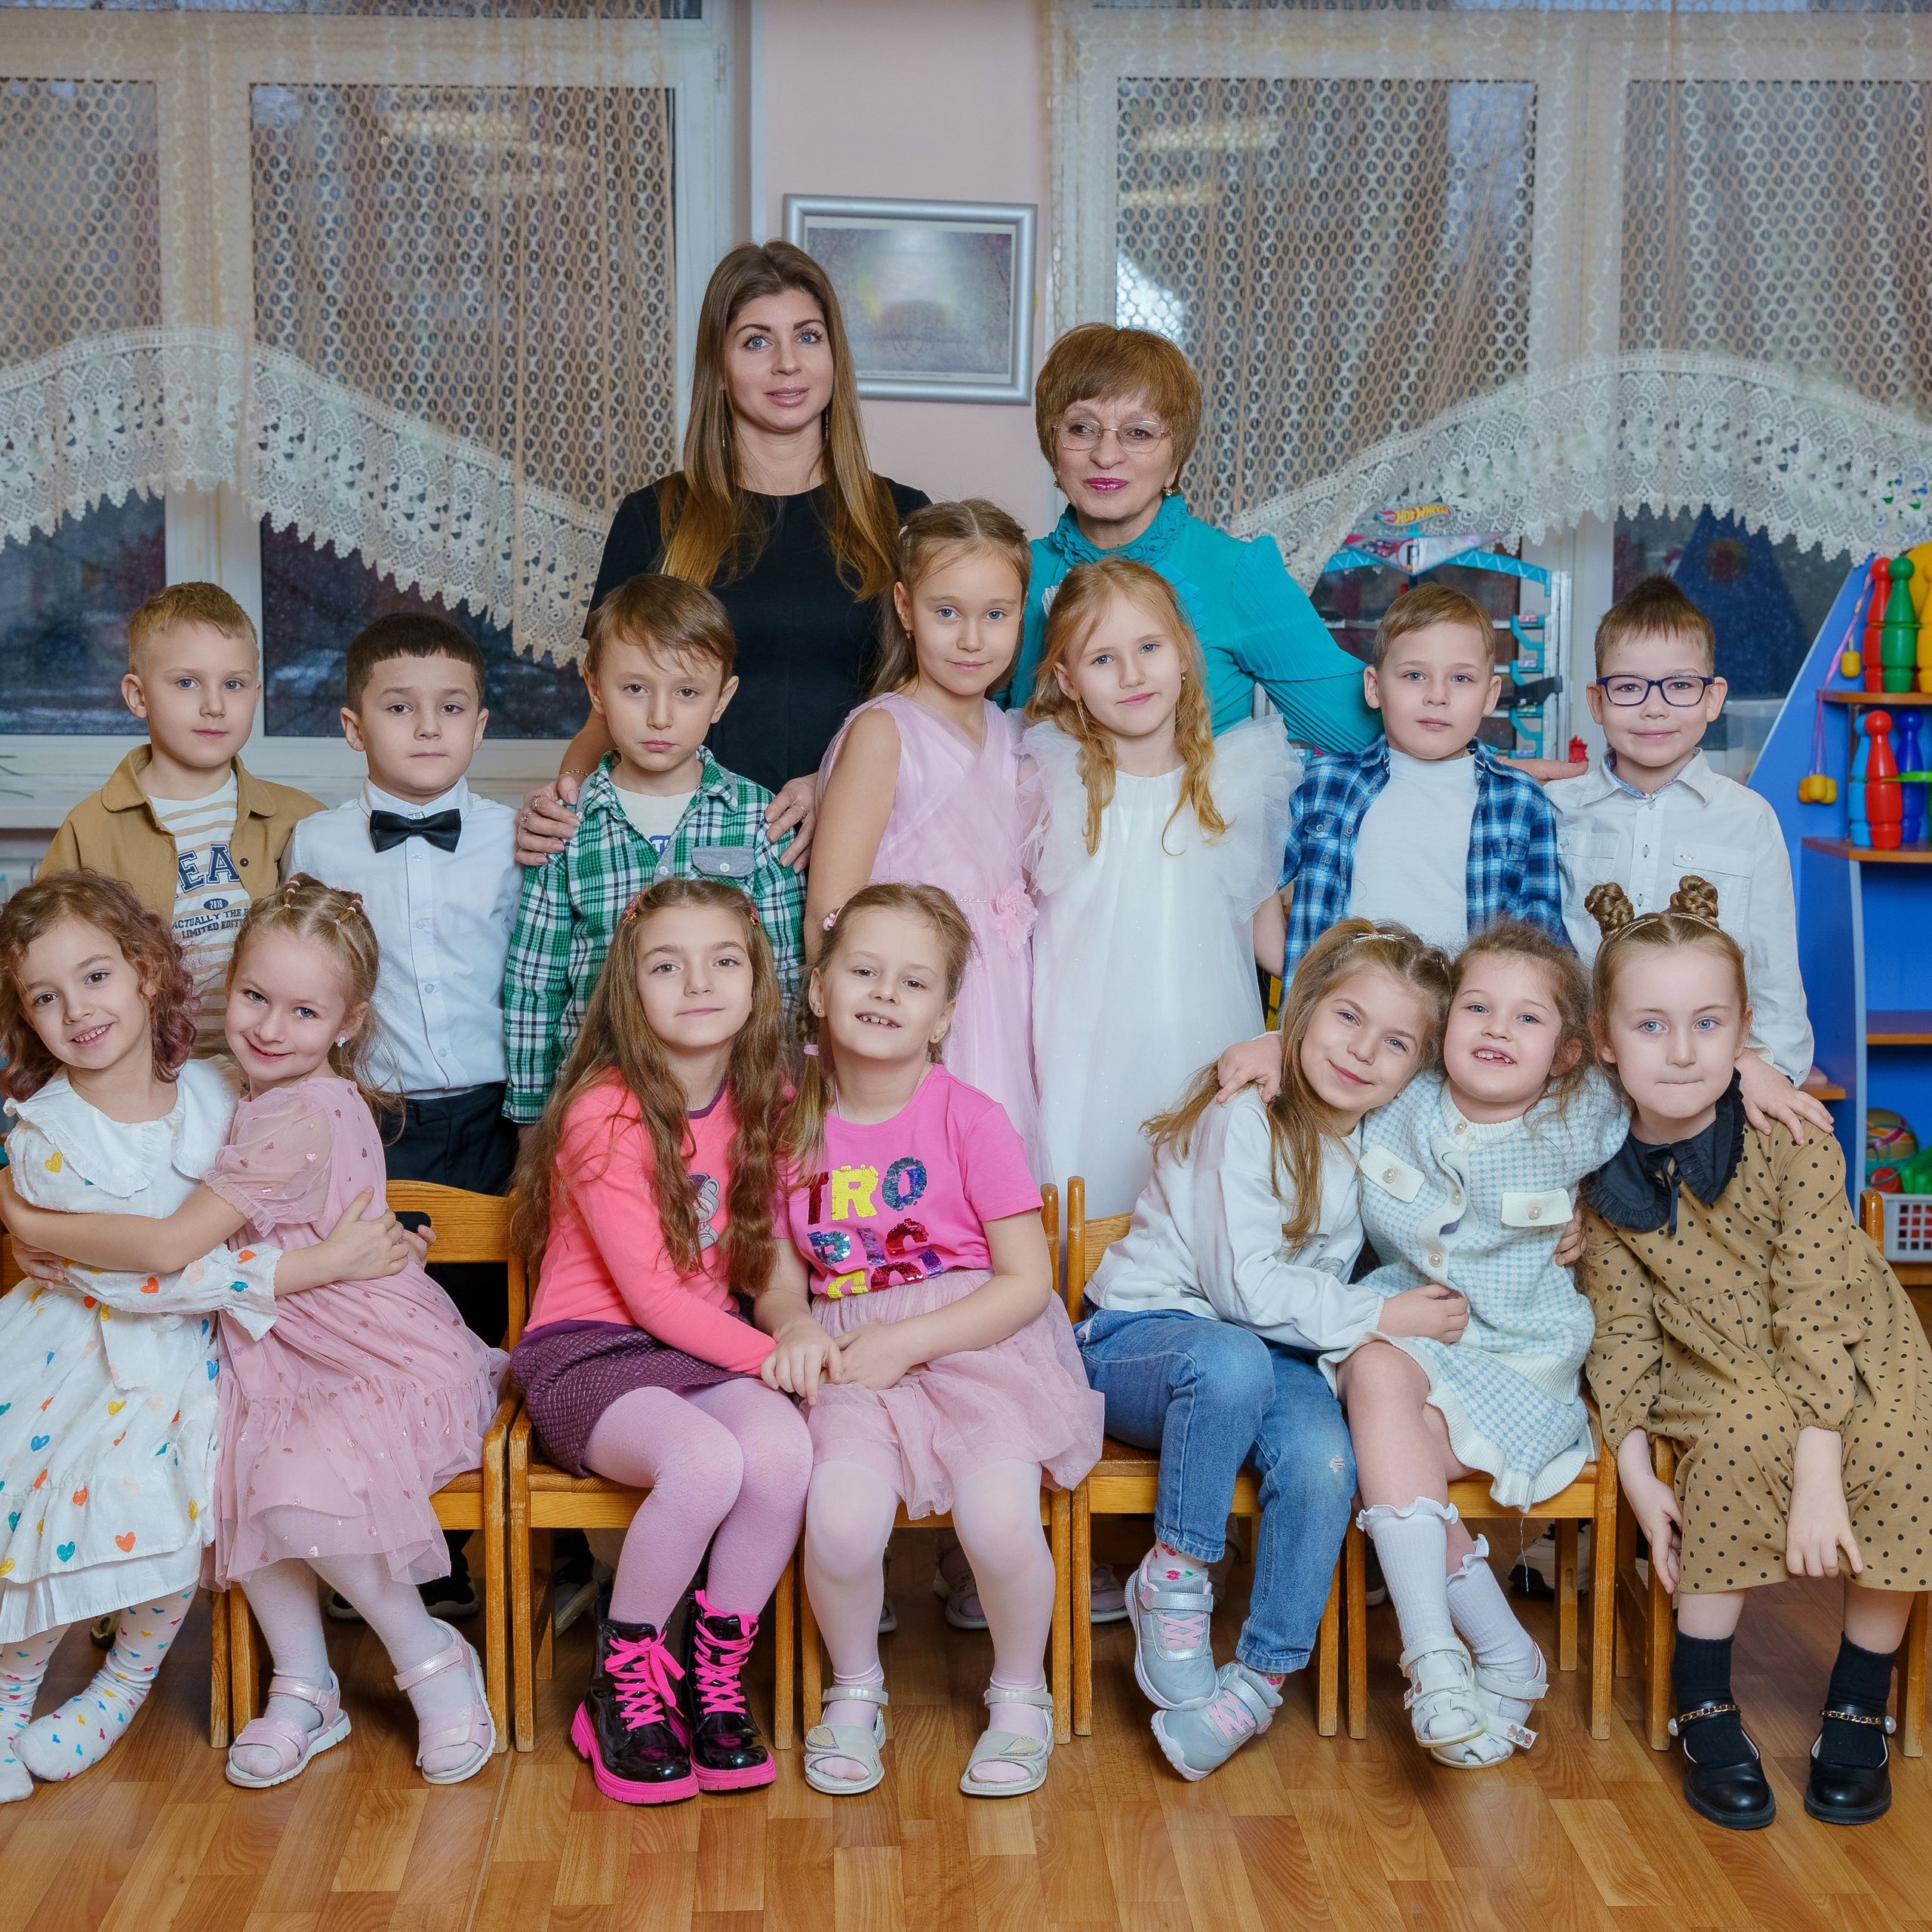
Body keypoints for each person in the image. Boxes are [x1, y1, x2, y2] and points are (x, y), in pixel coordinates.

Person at [2, 879, 506, 1789]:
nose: (271, 1027)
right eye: (254, 998)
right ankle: (305, 1685)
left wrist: (26, 1216)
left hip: (352, 1346)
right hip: (264, 1340)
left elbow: (169, 1246)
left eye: (303, 1011)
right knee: (234, 1480)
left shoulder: (300, 1111)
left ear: (348, 1022)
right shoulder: (235, 1087)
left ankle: (430, 1655)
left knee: (301, 1489)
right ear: (224, 987)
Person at [1580, 877, 1932, 1832]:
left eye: (1707, 1024)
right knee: (1737, 1435)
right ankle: (1702, 1698)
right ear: (1604, 1039)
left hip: (1849, 1335)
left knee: (1897, 1446)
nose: (1682, 1051)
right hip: (1711, 1354)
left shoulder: (1792, 1137)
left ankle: (1858, 1700)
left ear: (1743, 1035)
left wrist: (1820, 1470)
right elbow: (1619, 1333)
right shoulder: (1596, 1174)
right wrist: (1635, 1472)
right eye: (1650, 1026)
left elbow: (1816, 1309)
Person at [1078, 919, 1466, 1780]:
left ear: (1418, 1068)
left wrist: (1563, 1226)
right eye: (1347, 1017)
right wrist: (1383, 1312)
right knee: (1231, 1359)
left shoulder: (1381, 1134)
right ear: (1303, 1009)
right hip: (1145, 1342)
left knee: (1328, 1462)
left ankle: (1256, 1682)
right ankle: (1175, 1575)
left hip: (1274, 1356)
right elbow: (1242, 1293)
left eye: (1396, 1042)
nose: (1362, 1051)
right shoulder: (1245, 1115)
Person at [758, 884, 1103, 1799]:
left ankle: (1020, 1692)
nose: (884, 992)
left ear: (944, 1016)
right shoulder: (785, 1124)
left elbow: (1025, 1281)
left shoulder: (971, 1118)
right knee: (839, 1520)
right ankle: (854, 1689)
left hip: (974, 1342)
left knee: (997, 1520)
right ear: (819, 988)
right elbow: (778, 1275)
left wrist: (909, 1341)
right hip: (849, 1352)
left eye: (913, 982)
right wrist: (793, 1322)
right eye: (864, 970)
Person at [508, 878, 810, 1805]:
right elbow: (649, 1297)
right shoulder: (605, 1110)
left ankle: (713, 1681)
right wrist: (771, 1358)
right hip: (586, 1350)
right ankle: (623, 1688)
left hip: (698, 1349)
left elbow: (773, 1258)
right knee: (705, 1463)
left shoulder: (770, 1097)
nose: (699, 982)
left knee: (783, 1450)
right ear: (629, 988)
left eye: (723, 960)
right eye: (667, 966)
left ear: (756, 979)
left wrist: (795, 1326)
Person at [515, 241, 929, 870]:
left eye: (808, 337)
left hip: (864, 850)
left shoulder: (902, 518)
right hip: (688, 861)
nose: (787, 363)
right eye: (757, 342)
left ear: (835, 357)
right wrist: (563, 806)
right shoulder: (652, 518)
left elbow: (934, 711)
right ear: (719, 365)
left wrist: (833, 784)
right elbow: (606, 718)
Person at [1327, 922, 1629, 1766]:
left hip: (1521, 1360)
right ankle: (1442, 1657)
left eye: (1528, 1018)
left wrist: (1752, 1063)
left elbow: (1671, 1060)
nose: (1498, 1029)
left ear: (1567, 1053)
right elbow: (1325, 1051)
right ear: (1442, 1025)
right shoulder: (1400, 1096)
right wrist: (1257, 1048)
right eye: (1477, 1008)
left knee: (1387, 1451)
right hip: (1412, 1326)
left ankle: (1482, 1652)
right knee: (1374, 1371)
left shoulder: (1585, 1114)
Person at [286, 611, 521, 1620]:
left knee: (491, 1316)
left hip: (498, 1113)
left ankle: (513, 1545)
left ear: (480, 725)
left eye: (451, 708)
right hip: (376, 1119)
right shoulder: (318, 841)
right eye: (399, 708)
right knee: (396, 1326)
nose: (428, 727)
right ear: (353, 727)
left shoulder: (518, 835)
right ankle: (404, 1545)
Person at [1025, 555, 1296, 1216]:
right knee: (1086, 1205)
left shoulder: (1234, 784)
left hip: (1202, 1041)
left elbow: (1270, 940)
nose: (1133, 674)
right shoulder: (1049, 780)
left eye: (1149, 648)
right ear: (1067, 680)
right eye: (1103, 659)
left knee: (1201, 1205)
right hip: (1085, 1047)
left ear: (1183, 655)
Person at [501, 575, 804, 1130]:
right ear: (596, 689)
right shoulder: (565, 826)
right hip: (594, 1108)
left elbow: (784, 975)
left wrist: (784, 1101)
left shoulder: (760, 821)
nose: (660, 716)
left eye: (686, 692)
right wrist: (530, 1118)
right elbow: (534, 981)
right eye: (635, 689)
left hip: (733, 1106)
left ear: (722, 698)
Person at [1000, 322, 1378, 753]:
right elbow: (964, 736)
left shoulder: (1237, 573)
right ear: (1052, 448)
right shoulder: (1013, 572)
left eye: (1139, 432)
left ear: (1176, 460)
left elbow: (1364, 737)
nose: (1105, 455)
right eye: (1081, 429)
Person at [1547, 573, 1831, 1141]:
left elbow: (1774, 972)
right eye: (1629, 687)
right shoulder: (1556, 809)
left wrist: (1769, 1070)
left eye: (1679, 686)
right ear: (1597, 701)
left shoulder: (1749, 819)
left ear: (1713, 698)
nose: (1654, 709)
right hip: (1577, 1082)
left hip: (1705, 1083)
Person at [809, 499, 1042, 1174]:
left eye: (995, 615)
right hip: (910, 1011)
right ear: (906, 608)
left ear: (1021, 614)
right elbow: (830, 914)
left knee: (993, 1182)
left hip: (1001, 1004)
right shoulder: (884, 733)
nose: (972, 640)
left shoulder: (1013, 736)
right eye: (947, 613)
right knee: (914, 1185)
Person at [40, 582, 320, 1054]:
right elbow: (45, 966)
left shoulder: (303, 820)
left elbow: (334, 962)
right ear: (138, 696)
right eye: (187, 682)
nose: (214, 705)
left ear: (256, 695)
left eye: (233, 684)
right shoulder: (89, 829)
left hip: (272, 1070)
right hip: (144, 1071)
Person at [1279, 583, 1565, 975]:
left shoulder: (1522, 801)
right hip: (1342, 1004)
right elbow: (1246, 888)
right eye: (1415, 675)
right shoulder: (1322, 785)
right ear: (1374, 687)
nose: (1437, 696)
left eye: (1461, 678)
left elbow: (1542, 943)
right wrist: (1299, 976)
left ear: (1490, 695)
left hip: (1460, 1010)